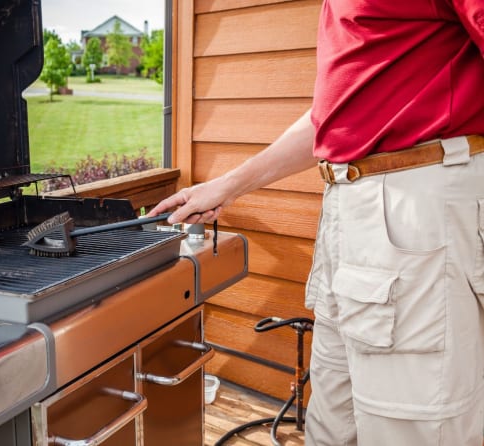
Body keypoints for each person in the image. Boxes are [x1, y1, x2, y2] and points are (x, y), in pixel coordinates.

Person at [148, 1, 484, 445]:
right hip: (348, 208)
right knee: (331, 422)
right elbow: (333, 119)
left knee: (410, 427)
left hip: (411, 208)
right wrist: (227, 186)